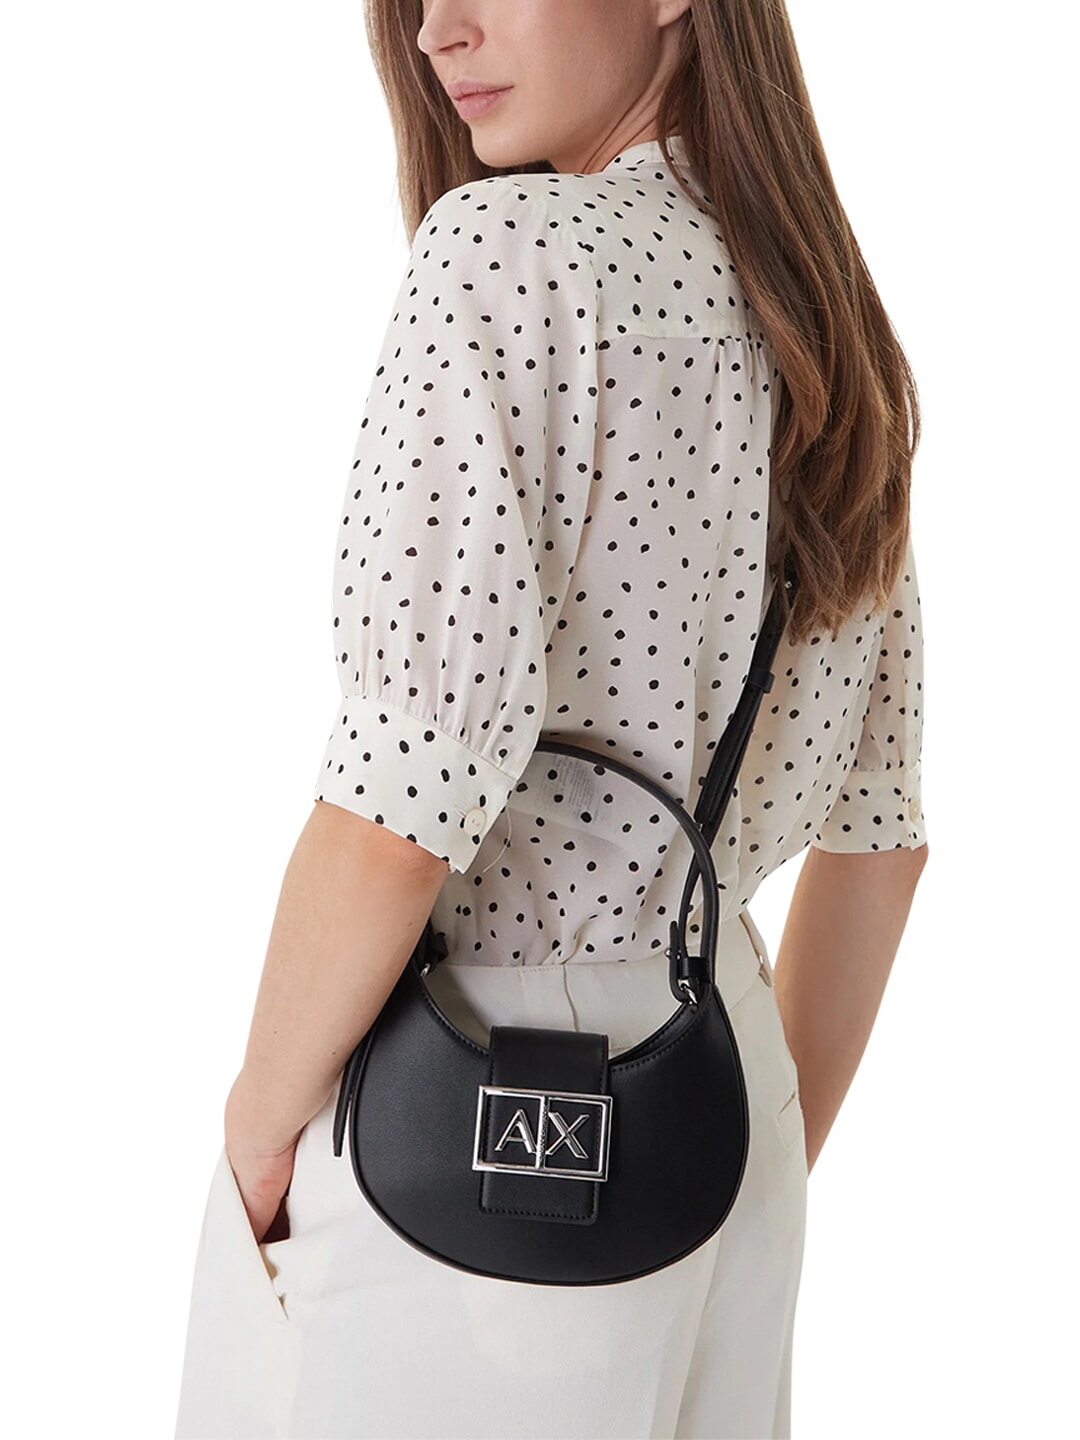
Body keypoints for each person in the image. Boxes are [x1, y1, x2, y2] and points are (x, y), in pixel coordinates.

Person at [173, 2, 930, 1436]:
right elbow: (879, 841)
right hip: (727, 1092)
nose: (436, 32)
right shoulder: (831, 332)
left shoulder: (507, 252)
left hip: (466, 1118)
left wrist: (258, 1137)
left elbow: (398, 814)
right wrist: (744, 1144)